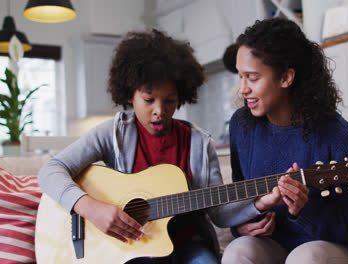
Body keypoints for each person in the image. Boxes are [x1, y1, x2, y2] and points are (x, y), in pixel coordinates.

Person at [38, 29, 261, 264]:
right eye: (148, 99)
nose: (159, 110)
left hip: (189, 245)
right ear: (129, 95)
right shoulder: (113, 133)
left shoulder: (199, 143)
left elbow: (219, 211)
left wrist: (259, 203)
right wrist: (91, 208)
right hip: (133, 248)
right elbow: (50, 170)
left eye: (170, 100)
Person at [221, 18, 348, 264]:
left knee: (305, 258)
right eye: (240, 77)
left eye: (253, 77)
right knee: (237, 251)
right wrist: (243, 227)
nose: (243, 89)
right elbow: (242, 197)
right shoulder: (242, 125)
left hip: (326, 248)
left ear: (286, 78)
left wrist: (304, 209)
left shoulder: (337, 135)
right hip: (273, 245)